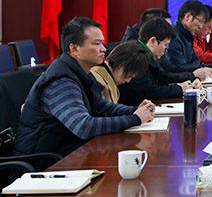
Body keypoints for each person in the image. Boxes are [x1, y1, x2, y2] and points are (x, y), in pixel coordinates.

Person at [14, 18, 154, 156]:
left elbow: (104, 108)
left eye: (102, 43)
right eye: (97, 43)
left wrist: (136, 110)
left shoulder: (82, 73)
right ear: (74, 49)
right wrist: (135, 118)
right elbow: (83, 127)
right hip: (45, 160)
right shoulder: (61, 81)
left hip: (68, 152)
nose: (104, 49)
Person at [118, 18, 207, 106]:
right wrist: (180, 89)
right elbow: (149, 92)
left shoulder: (147, 55)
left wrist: (190, 79)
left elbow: (163, 77)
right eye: (165, 45)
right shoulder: (137, 57)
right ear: (153, 41)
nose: (166, 50)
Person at [163, 0, 212, 76]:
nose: (200, 26)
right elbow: (178, 68)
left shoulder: (188, 36)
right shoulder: (173, 37)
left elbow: (197, 62)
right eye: (200, 21)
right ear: (187, 17)